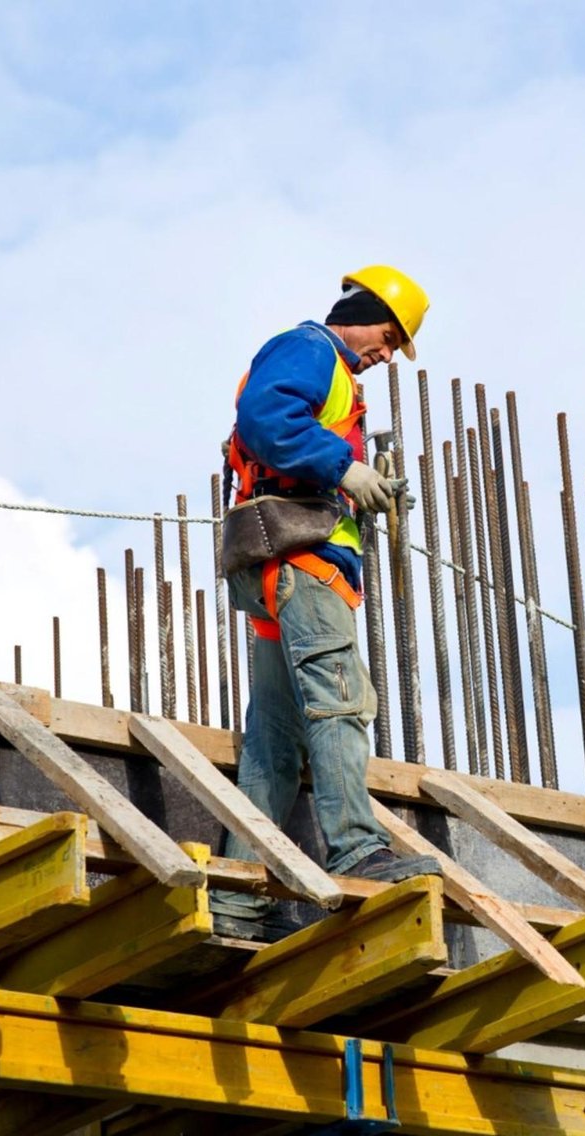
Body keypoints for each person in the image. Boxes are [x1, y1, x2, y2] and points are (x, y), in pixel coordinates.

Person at [210, 265, 439, 942]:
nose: (387, 354)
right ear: (362, 311)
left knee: (275, 745)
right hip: (303, 566)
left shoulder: (336, 377)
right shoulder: (312, 349)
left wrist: (356, 481)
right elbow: (266, 418)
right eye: (389, 336)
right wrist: (344, 469)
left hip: (281, 569)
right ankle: (357, 847)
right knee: (341, 703)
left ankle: (240, 895)